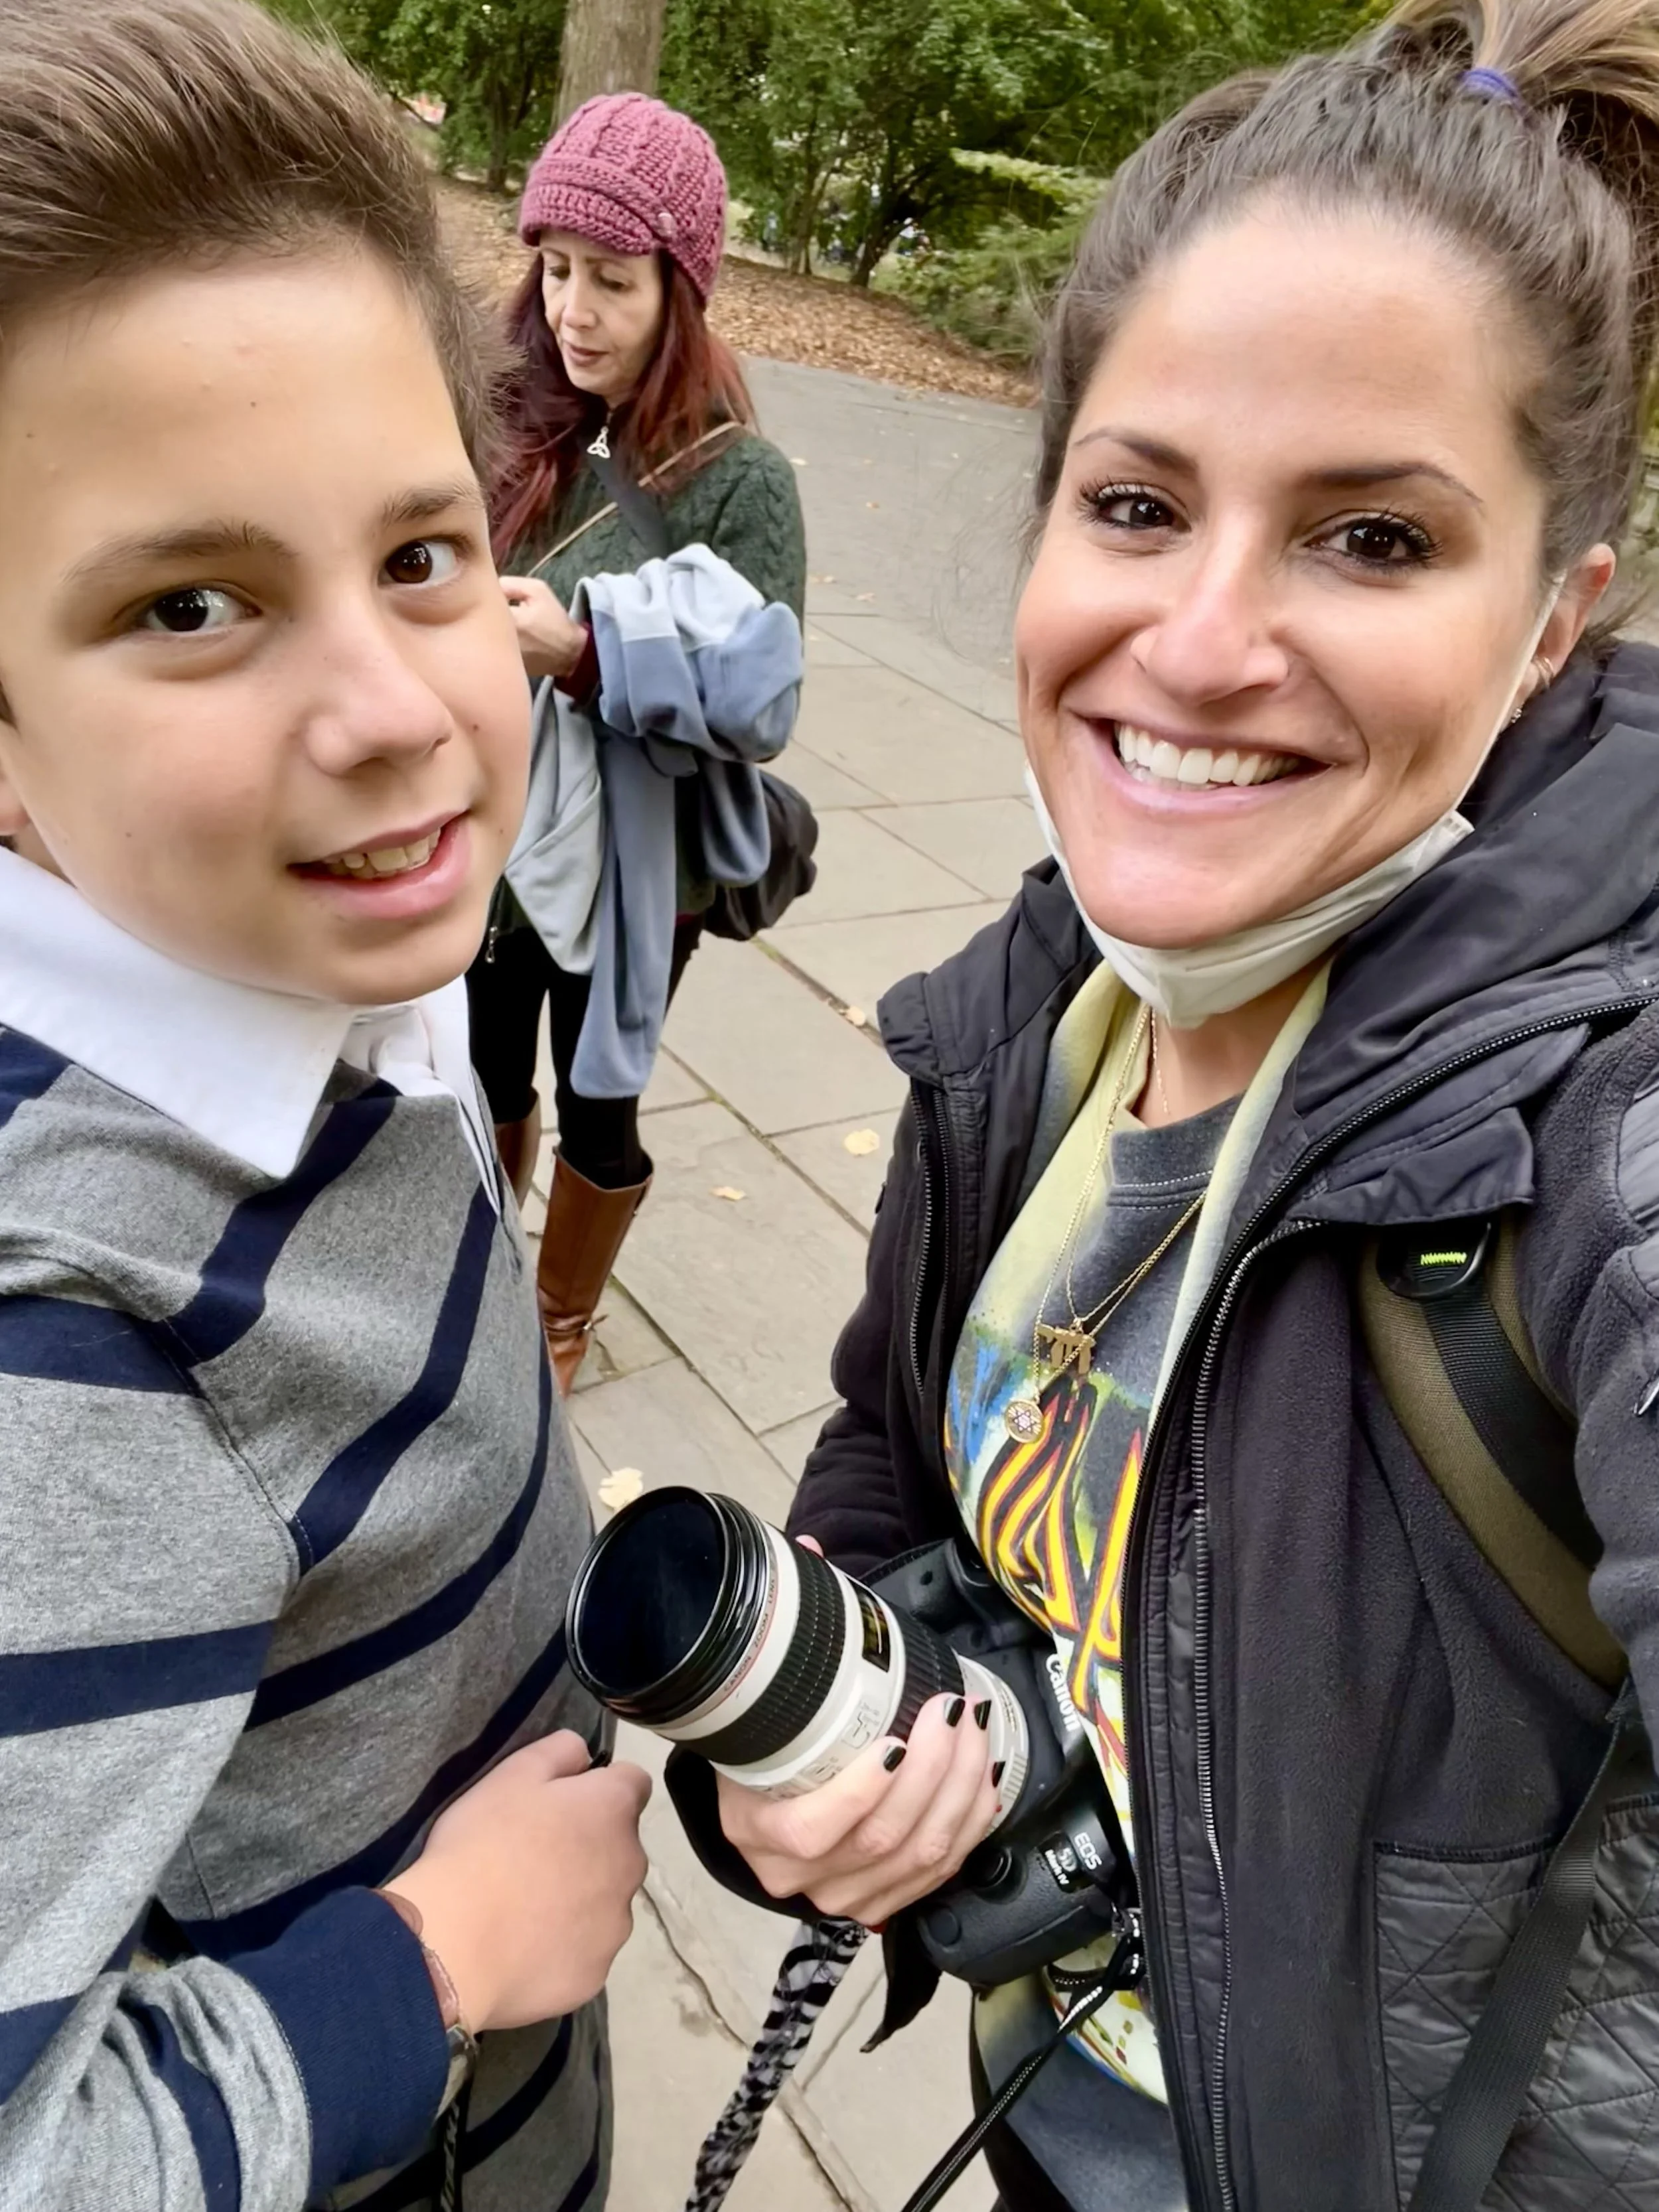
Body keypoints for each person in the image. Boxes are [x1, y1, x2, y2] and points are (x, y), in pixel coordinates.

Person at [692, 0, 1659, 2201]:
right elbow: (897, 1452)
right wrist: (817, 1753)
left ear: (1552, 624)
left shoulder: (1605, 1133)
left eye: (1376, 541)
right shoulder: (1039, 1017)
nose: (1205, 641)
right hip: (1059, 2101)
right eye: (1139, 505)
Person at [0, 4, 650, 2207]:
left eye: (420, 553)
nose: (391, 712)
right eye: (195, 603)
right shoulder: (71, 1343)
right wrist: (432, 1964)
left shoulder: (302, 962)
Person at [467, 93, 808, 1391]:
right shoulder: (508, 411)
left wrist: (585, 652)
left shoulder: (736, 477)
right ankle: (483, 1247)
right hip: (496, 828)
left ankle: (557, 1315)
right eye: (553, 269)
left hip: (637, 869)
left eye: (610, 279)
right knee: (485, 1052)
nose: (572, 310)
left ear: (681, 287)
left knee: (594, 1093)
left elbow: (758, 698)